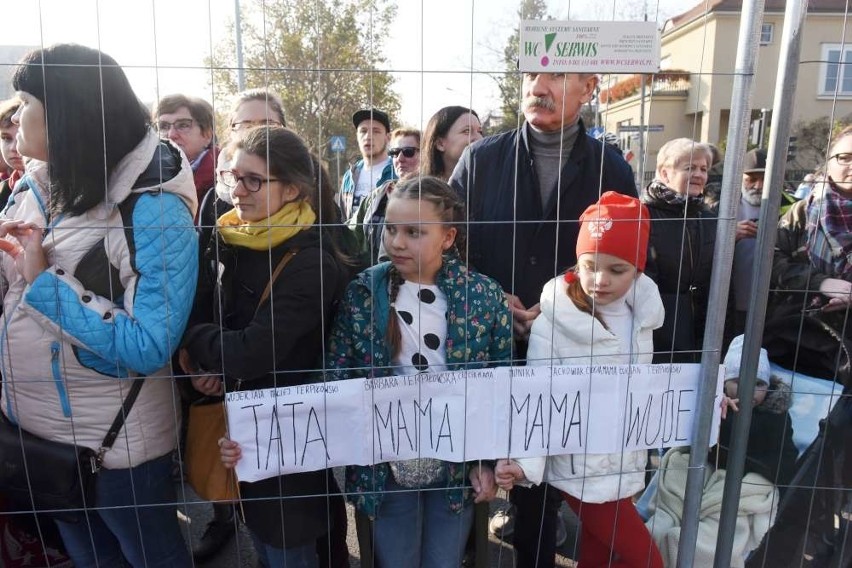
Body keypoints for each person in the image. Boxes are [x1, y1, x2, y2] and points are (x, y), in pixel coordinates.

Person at [1, 43, 197, 567]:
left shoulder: (151, 204)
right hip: (43, 434)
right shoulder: (40, 186)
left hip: (116, 447)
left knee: (148, 555)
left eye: (25, 103)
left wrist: (44, 281)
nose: (15, 117)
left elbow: (150, 343)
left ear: (66, 113)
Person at [451, 70, 634, 567]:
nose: (539, 85)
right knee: (478, 475)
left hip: (570, 352)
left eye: (557, 76)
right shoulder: (481, 159)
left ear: (589, 88)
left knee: (542, 490)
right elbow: (447, 247)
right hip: (488, 348)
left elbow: (629, 263)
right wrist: (491, 300)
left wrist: (562, 306)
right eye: (533, 72)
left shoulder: (610, 169)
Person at [325, 175, 511, 567]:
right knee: (397, 560)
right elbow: (337, 372)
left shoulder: (483, 295)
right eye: (392, 229)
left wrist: (487, 461)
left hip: (458, 467)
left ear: (447, 237)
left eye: (414, 232)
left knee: (444, 560)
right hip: (386, 467)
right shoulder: (363, 292)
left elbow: (500, 381)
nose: (397, 242)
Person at [185, 126, 348, 568]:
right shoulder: (232, 237)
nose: (237, 191)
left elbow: (250, 352)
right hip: (241, 422)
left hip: (289, 436)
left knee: (285, 546)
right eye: (233, 177)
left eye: (253, 180)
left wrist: (194, 340)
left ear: (292, 188)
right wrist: (209, 362)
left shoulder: (311, 260)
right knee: (264, 539)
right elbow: (219, 326)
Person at [495, 192, 665, 568]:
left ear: (638, 268)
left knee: (597, 556)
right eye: (589, 266)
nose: (599, 280)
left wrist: (713, 394)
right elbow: (538, 394)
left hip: (624, 461)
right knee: (649, 561)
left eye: (616, 270)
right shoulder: (557, 319)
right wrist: (526, 463)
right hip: (579, 470)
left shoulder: (644, 312)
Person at [644, 336, 796, 567]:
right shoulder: (711, 403)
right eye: (738, 381)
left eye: (758, 384)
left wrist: (725, 419)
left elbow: (775, 457)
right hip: (708, 467)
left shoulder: (775, 418)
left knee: (699, 536)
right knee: (678, 467)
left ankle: (694, 543)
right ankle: (668, 522)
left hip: (749, 479)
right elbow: (695, 437)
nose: (748, 391)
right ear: (723, 381)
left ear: (768, 386)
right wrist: (715, 406)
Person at [641, 138, 716, 363]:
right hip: (657, 331)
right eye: (689, 168)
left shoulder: (709, 218)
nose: (699, 174)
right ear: (665, 173)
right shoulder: (644, 215)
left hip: (701, 330)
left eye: (703, 169)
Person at [350, 127, 421, 264]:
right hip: (374, 280)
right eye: (394, 153)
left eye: (408, 152)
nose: (400, 159)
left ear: (425, 154)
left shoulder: (435, 197)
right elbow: (351, 234)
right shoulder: (377, 196)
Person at [154, 94, 218, 209]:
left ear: (207, 134)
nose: (171, 135)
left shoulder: (225, 181)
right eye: (163, 126)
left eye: (183, 125)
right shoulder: (145, 177)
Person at [337, 108, 395, 221]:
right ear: (357, 136)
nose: (368, 136)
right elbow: (342, 219)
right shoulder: (350, 176)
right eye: (363, 131)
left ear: (388, 138)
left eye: (376, 131)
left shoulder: (397, 172)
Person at [421, 106, 482, 180]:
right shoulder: (421, 189)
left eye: (480, 132)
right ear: (440, 143)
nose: (479, 139)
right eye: (467, 131)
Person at [0, 98, 24, 209]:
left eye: (22, 137)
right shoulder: (5, 186)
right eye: (6, 138)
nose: (14, 148)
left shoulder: (49, 188)